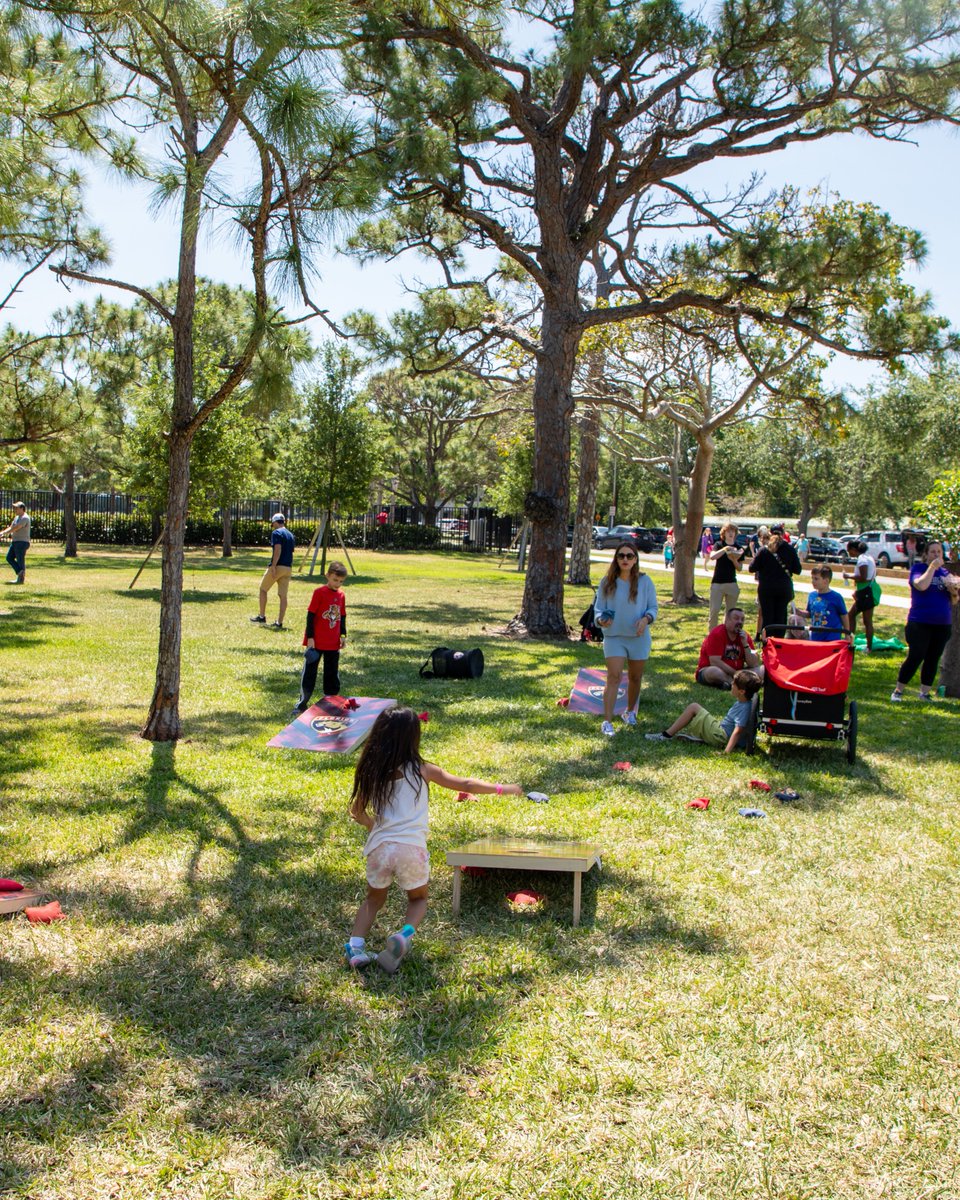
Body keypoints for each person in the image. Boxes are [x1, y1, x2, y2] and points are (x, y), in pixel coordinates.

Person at [346, 706, 522, 971]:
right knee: (418, 899)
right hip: (411, 849)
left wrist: (375, 828)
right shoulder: (422, 769)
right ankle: (404, 935)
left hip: (380, 849)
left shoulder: (372, 771)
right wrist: (501, 788)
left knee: (373, 899)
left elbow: (357, 812)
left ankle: (355, 947)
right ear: (413, 737)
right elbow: (465, 784)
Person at [594, 542, 659, 736]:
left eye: (629, 556)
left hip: (638, 638)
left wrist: (646, 619)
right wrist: (601, 620)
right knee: (613, 677)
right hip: (614, 637)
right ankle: (607, 721)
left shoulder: (645, 582)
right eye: (621, 556)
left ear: (635, 559)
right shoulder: (607, 582)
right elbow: (598, 609)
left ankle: (630, 712)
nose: (625, 559)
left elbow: (653, 608)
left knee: (635, 677)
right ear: (616, 558)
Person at [890, 540, 960, 702]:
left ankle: (925, 693)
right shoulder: (918, 569)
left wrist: (953, 591)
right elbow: (921, 586)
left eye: (939, 552)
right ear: (926, 554)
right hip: (919, 622)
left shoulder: (945, 574)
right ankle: (898, 690)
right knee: (916, 655)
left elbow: (955, 601)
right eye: (933, 552)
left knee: (933, 658)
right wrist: (932, 568)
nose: (936, 555)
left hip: (942, 624)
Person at [645, 669, 762, 753]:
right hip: (721, 731)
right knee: (699, 712)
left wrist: (726, 752)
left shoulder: (745, 707)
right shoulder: (744, 702)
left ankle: (666, 735)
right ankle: (703, 738)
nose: (731, 684)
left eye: (734, 684)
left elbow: (738, 731)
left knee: (693, 707)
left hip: (722, 736)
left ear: (741, 691)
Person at [294, 561, 348, 715]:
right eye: (335, 580)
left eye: (341, 581)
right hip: (316, 642)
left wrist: (343, 636)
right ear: (328, 576)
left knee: (332, 674)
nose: (337, 584)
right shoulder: (319, 592)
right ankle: (302, 704)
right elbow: (310, 615)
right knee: (309, 673)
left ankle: (331, 702)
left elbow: (342, 616)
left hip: (333, 643)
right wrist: (310, 637)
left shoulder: (341, 595)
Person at [748, 523, 802, 636]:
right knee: (781, 617)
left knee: (768, 618)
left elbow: (752, 568)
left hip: (767, 588)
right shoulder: (790, 550)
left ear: (770, 534)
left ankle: (767, 643)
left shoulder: (764, 550)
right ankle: (779, 643)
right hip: (783, 588)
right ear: (783, 534)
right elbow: (798, 570)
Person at [696, 607, 762, 688]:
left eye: (742, 619)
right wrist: (736, 674)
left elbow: (754, 663)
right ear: (726, 620)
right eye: (736, 618)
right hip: (711, 670)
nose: (740, 622)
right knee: (714, 671)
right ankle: (737, 684)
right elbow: (715, 661)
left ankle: (731, 684)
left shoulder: (745, 636)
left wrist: (745, 644)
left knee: (762, 670)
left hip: (738, 672)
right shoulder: (717, 634)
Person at [250, 513, 295, 629]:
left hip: (278, 566)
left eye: (273, 524)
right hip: (288, 567)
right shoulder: (290, 535)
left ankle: (262, 616)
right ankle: (279, 622)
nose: (273, 526)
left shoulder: (276, 533)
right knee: (283, 596)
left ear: (275, 522)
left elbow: (278, 549)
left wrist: (273, 566)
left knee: (263, 589)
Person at [843, 539, 880, 652]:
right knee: (853, 616)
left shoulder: (862, 559)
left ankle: (867, 647)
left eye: (849, 550)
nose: (849, 553)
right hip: (865, 591)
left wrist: (849, 576)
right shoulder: (868, 557)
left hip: (866, 593)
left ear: (854, 550)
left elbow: (863, 577)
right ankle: (851, 641)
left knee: (866, 620)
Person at [796, 565, 850, 641]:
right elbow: (809, 613)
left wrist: (847, 633)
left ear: (826, 581)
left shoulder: (836, 597)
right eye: (812, 578)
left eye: (816, 579)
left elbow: (844, 615)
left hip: (831, 637)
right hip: (816, 636)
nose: (813, 581)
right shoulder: (812, 595)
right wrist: (799, 612)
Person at [706, 522, 744, 628]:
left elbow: (740, 568)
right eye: (728, 531)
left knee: (730, 613)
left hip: (732, 583)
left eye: (733, 531)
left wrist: (734, 559)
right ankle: (712, 635)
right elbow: (712, 556)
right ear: (724, 533)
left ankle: (727, 633)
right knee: (714, 610)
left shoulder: (739, 548)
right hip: (717, 583)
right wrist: (725, 549)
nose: (731, 533)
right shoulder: (719, 544)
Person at [0, 501, 31, 584]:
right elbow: (11, 527)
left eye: (16, 508)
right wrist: (2, 532)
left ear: (22, 508)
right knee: (9, 558)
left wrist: (5, 533)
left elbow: (16, 528)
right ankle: (20, 572)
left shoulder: (25, 518)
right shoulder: (17, 517)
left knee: (20, 560)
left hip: (22, 542)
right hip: (15, 542)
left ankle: (20, 579)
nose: (15, 509)